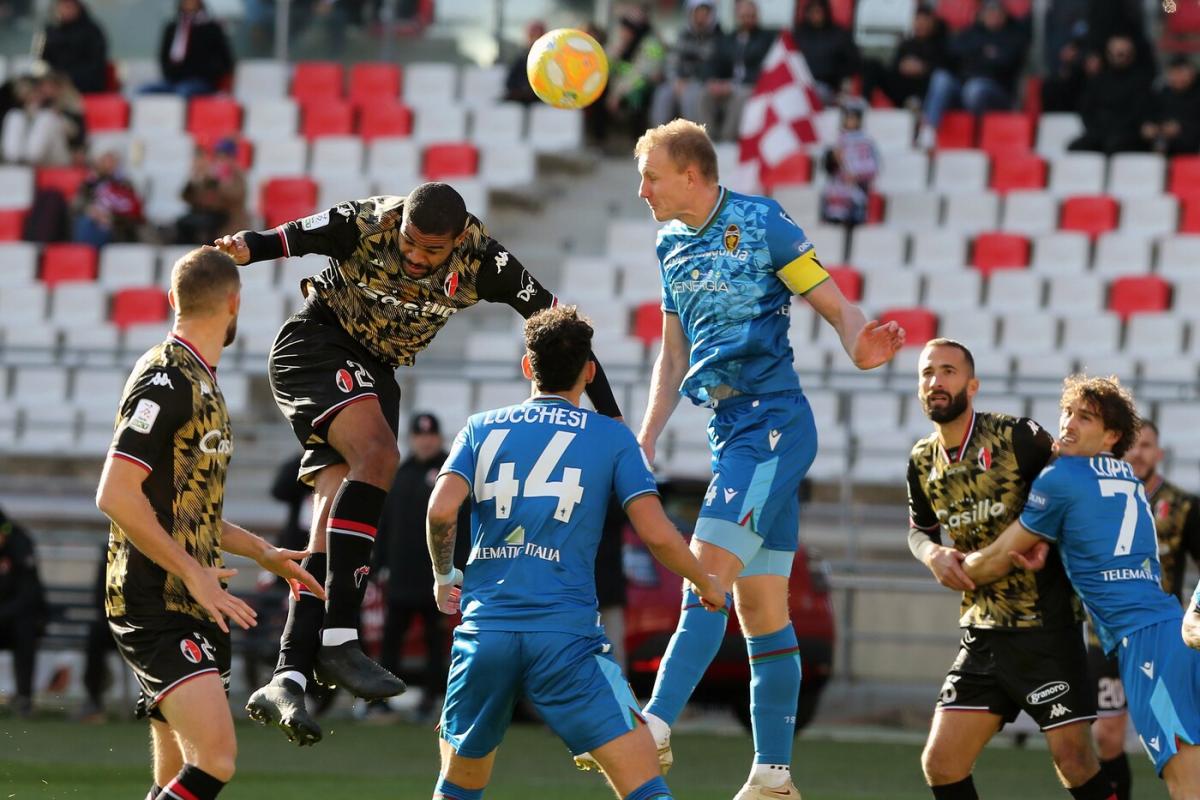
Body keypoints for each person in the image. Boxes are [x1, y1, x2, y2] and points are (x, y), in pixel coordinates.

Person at [214, 181, 623, 746]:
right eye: (410, 242)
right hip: (318, 346)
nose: (415, 257)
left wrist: (610, 419)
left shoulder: (485, 259)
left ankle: (287, 673)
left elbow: (562, 326)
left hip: (376, 374)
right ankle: (337, 640)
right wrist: (246, 248)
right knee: (381, 456)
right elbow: (298, 236)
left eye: (431, 251)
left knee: (332, 512)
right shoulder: (371, 221)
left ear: (456, 241)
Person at [620, 119, 904, 799]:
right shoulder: (668, 244)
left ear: (691, 172)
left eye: (651, 176)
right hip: (731, 434)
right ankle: (772, 775)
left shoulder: (762, 220)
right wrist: (649, 430)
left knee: (702, 575)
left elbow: (831, 301)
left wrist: (859, 341)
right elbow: (673, 349)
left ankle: (652, 726)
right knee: (762, 612)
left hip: (773, 428)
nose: (642, 191)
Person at [427, 305, 725, 800]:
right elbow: (655, 533)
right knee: (645, 783)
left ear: (528, 366)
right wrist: (705, 581)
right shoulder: (612, 437)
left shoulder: (480, 428)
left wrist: (443, 576)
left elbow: (441, 511)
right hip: (565, 641)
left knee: (458, 789)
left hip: (486, 635)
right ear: (589, 372)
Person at [94, 246, 324, 800]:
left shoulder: (201, 380)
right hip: (156, 597)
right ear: (234, 304)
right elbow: (116, 493)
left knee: (170, 780)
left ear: (172, 298)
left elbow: (185, 509)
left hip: (188, 597)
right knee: (216, 760)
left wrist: (260, 551)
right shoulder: (165, 377)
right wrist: (192, 572)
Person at [963, 375, 1200, 799]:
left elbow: (997, 559)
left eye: (1085, 417)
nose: (1068, 424)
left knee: (1188, 788)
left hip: (1149, 648)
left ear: (1111, 435)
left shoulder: (1062, 476)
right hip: (1170, 629)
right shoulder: (1126, 476)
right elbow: (1097, 535)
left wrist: (947, 561)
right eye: (1067, 412)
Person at [906, 339, 1112, 800]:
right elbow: (918, 531)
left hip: (1045, 627)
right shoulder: (921, 460)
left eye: (948, 371)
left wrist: (1047, 535)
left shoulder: (1016, 436)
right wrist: (932, 555)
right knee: (942, 764)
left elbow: (1073, 485)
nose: (936, 382)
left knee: (1076, 763)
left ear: (972, 384)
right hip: (981, 632)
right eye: (926, 373)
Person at [1083, 420, 1200, 800]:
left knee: (1175, 739)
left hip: (1164, 638)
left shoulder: (1182, 506)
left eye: (1147, 445)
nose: (1138, 453)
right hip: (1105, 637)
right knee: (1106, 735)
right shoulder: (1095, 500)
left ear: (1159, 453)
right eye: (1132, 445)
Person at [373, 412, 468, 721]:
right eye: (420, 435)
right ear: (413, 438)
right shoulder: (402, 472)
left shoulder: (450, 471)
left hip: (438, 576)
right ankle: (381, 699)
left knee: (436, 641)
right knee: (392, 638)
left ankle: (432, 700)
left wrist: (458, 567)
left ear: (438, 437)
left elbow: (462, 524)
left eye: (430, 435)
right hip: (401, 574)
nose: (425, 441)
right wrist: (379, 562)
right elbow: (386, 523)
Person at [915, 0, 1029, 149]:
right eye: (989, 12)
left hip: (996, 92)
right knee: (941, 77)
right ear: (981, 15)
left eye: (997, 13)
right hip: (963, 87)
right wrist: (984, 52)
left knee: (975, 89)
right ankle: (928, 131)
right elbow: (952, 53)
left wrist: (975, 54)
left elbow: (1006, 62)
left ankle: (975, 137)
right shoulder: (970, 33)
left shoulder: (1013, 36)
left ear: (1004, 15)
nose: (993, 16)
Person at [701, 0, 775, 142]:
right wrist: (713, 80)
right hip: (727, 85)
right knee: (704, 94)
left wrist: (733, 85)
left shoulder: (767, 39)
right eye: (744, 16)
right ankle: (707, 140)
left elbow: (765, 69)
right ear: (737, 16)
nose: (747, 19)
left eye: (751, 16)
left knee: (741, 96)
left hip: (752, 85)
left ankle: (726, 139)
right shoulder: (727, 39)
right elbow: (714, 62)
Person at [1069, 35, 1155, 156]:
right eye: (1114, 53)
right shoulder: (1098, 81)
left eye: (1122, 54)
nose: (1118, 58)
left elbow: (1142, 114)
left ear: (1131, 55)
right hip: (1100, 133)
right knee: (1076, 147)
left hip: (1129, 135)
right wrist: (1097, 130)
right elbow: (1087, 111)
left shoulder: (1141, 83)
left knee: (1115, 144)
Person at [0, 506, 47, 719]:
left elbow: (29, 596)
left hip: (16, 620)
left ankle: (24, 699)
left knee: (25, 630)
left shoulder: (21, 544)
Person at [860, 4, 948, 111]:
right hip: (901, 87)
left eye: (925, 20)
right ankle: (863, 103)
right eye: (917, 20)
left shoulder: (941, 44)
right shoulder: (906, 43)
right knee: (872, 64)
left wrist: (923, 68)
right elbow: (893, 66)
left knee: (938, 78)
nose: (921, 24)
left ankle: (917, 105)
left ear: (932, 23)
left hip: (923, 88)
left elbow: (945, 69)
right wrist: (902, 65)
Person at [650, 0, 721, 128]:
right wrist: (675, 80)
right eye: (697, 14)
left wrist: (690, 82)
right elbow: (672, 61)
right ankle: (659, 137)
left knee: (690, 96)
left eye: (704, 15)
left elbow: (713, 66)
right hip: (678, 81)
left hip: (702, 82)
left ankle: (694, 138)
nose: (701, 18)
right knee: (663, 94)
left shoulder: (718, 38)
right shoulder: (682, 36)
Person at [142, 0, 234, 99]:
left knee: (183, 92)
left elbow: (225, 60)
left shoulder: (211, 27)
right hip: (174, 80)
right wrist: (171, 73)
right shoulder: (172, 27)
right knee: (144, 91)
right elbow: (163, 57)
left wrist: (208, 73)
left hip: (201, 81)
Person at [0, 70, 84, 167]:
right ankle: (13, 159)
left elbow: (77, 136)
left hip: (59, 156)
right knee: (14, 115)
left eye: (52, 86)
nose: (47, 90)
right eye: (43, 86)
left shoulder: (69, 106)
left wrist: (58, 116)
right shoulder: (33, 105)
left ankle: (29, 160)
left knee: (46, 117)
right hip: (25, 154)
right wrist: (32, 110)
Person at [176, 138, 249, 246]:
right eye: (219, 155)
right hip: (211, 221)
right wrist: (196, 178)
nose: (222, 159)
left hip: (229, 223)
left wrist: (219, 181)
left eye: (226, 156)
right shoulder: (212, 174)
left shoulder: (237, 175)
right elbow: (190, 198)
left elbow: (234, 196)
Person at [819, 104, 879, 227]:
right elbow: (828, 167)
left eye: (853, 118)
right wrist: (833, 158)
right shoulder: (837, 140)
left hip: (857, 187)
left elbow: (872, 167)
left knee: (854, 200)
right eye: (848, 118)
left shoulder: (866, 142)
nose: (850, 121)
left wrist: (856, 175)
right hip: (838, 184)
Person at [790, 0, 859, 104]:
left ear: (825, 13)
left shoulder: (839, 34)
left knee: (817, 93)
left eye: (818, 12)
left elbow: (853, 62)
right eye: (812, 12)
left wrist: (840, 80)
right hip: (800, 85)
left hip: (828, 87)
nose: (815, 16)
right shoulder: (798, 35)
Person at [72, 150, 145, 248]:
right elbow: (76, 205)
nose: (108, 164)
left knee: (97, 228)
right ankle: (84, 256)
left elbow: (135, 213)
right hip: (91, 220)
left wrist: (111, 218)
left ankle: (85, 256)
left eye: (111, 160)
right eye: (104, 160)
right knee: (84, 223)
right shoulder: (90, 184)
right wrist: (90, 210)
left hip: (116, 227)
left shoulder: (125, 185)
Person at [36, 0, 109, 94]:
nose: (66, 10)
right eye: (63, 6)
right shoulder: (48, 31)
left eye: (69, 6)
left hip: (84, 82)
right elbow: (41, 59)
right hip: (55, 81)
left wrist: (69, 76)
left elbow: (96, 63)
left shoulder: (92, 31)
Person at [1141, 56, 1200, 156]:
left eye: (1182, 73)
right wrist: (1150, 127)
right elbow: (1151, 117)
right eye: (1174, 73)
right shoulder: (1162, 94)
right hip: (1163, 148)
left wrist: (1181, 128)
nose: (1178, 77)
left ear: (1192, 73)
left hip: (1191, 151)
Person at [503, 20, 547, 105]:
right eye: (532, 35)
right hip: (521, 99)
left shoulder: (550, 59)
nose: (534, 39)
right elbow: (510, 83)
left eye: (538, 35)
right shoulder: (521, 59)